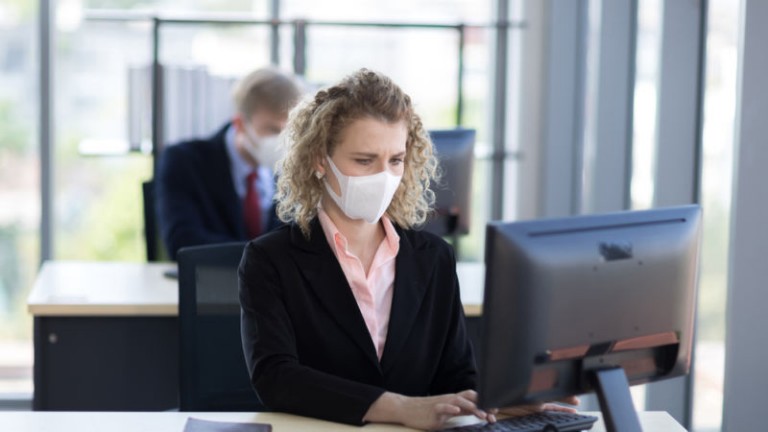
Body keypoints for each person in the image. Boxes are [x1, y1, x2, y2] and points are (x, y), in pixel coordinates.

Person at [239, 69, 577, 430]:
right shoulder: (270, 259)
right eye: (364, 160)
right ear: (321, 160)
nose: (383, 176)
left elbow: (456, 375)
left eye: (395, 160)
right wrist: (400, 407)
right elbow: (276, 378)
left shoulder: (433, 258)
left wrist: (495, 401)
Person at [156, 67, 303, 260]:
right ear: (240, 124)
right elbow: (182, 241)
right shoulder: (184, 161)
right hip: (209, 284)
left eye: (289, 132)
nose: (282, 142)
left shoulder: (297, 171)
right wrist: (266, 258)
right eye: (273, 130)